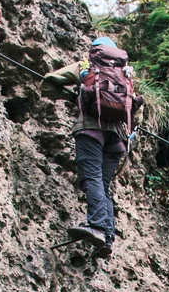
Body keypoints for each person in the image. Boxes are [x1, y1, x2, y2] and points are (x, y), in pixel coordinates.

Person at [43, 37, 142, 255]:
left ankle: (97, 227)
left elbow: (48, 84)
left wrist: (75, 97)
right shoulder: (126, 75)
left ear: (95, 51)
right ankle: (107, 236)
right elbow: (137, 113)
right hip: (118, 139)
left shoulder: (86, 67)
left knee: (92, 178)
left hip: (91, 131)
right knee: (103, 184)